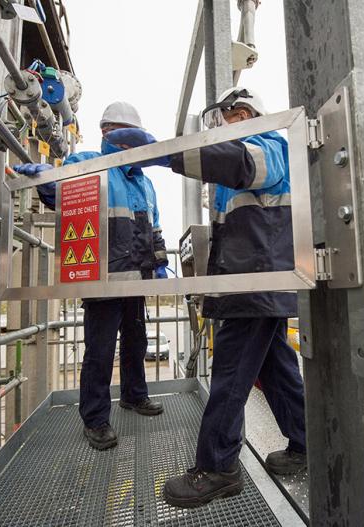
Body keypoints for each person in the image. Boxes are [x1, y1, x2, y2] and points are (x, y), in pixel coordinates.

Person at [105, 88, 307, 508]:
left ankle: (218, 467)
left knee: (230, 376)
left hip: (253, 284)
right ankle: (306, 441)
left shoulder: (266, 144)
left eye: (222, 121)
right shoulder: (241, 168)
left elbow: (234, 160)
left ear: (245, 114)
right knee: (276, 369)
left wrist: (167, 153)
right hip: (253, 284)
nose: (217, 131)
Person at [13, 101, 166, 451]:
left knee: (136, 342)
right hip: (101, 278)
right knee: (99, 350)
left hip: (136, 281)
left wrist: (158, 263)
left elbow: (154, 229)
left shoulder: (145, 182)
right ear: (105, 133)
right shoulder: (87, 164)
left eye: (127, 135)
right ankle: (95, 419)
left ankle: (134, 396)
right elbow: (59, 195)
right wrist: (45, 180)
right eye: (113, 131)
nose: (121, 140)